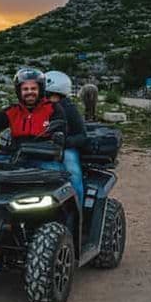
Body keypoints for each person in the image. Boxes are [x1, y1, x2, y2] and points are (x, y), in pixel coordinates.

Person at [0, 67, 66, 159]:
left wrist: (58, 137)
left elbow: (60, 129)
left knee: (55, 169)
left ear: (40, 90)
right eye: (25, 89)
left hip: (42, 157)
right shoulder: (12, 111)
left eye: (33, 89)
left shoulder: (53, 108)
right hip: (13, 156)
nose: (29, 92)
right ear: (19, 91)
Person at [44, 70, 86, 204]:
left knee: (73, 173)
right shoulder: (33, 107)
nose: (48, 98)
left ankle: (78, 207)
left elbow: (82, 136)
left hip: (64, 148)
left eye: (52, 95)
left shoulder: (69, 109)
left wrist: (64, 142)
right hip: (36, 147)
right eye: (45, 94)